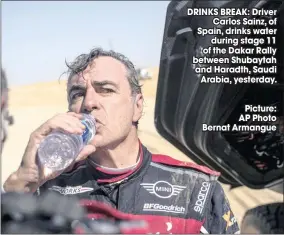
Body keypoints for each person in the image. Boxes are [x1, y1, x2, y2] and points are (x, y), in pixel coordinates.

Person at [3, 48, 240, 234]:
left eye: (105, 89)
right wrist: (23, 182)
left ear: (137, 107)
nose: (88, 103)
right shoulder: (48, 189)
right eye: (77, 94)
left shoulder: (196, 188)